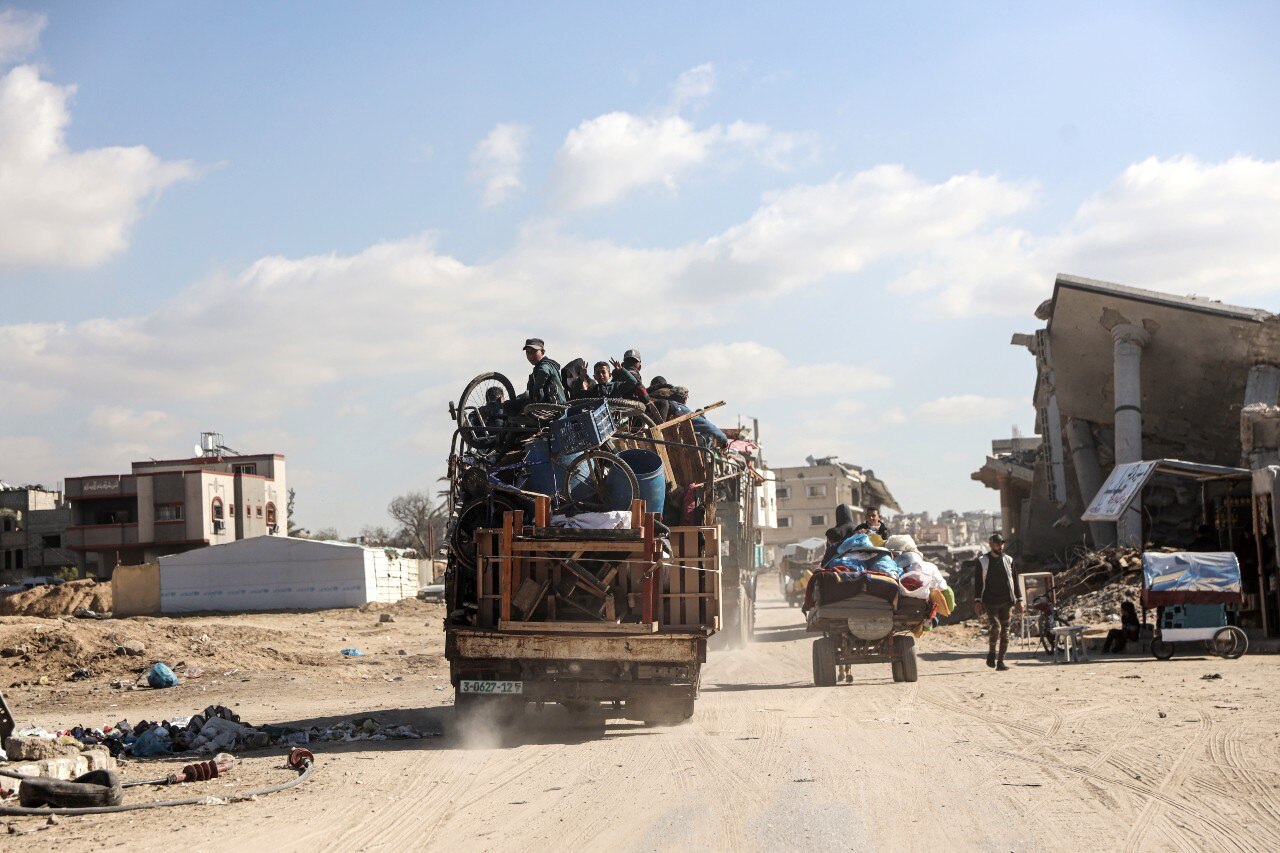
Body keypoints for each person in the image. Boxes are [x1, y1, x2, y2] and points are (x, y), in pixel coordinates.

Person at [974, 533, 1021, 671]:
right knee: (996, 628)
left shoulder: (1009, 560)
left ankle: (1000, 662)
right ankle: (991, 652)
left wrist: (1019, 600)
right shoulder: (982, 561)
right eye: (997, 543)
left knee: (1005, 633)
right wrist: (977, 601)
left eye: (1001, 543)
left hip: (1006, 602)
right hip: (990, 602)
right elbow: (978, 583)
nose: (1000, 546)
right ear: (991, 545)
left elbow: (1015, 581)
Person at [521, 338, 566, 405]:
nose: (530, 355)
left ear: (542, 352)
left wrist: (536, 393)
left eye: (534, 352)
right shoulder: (535, 370)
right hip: (546, 406)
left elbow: (544, 372)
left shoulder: (546, 365)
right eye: (528, 352)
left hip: (556, 407)